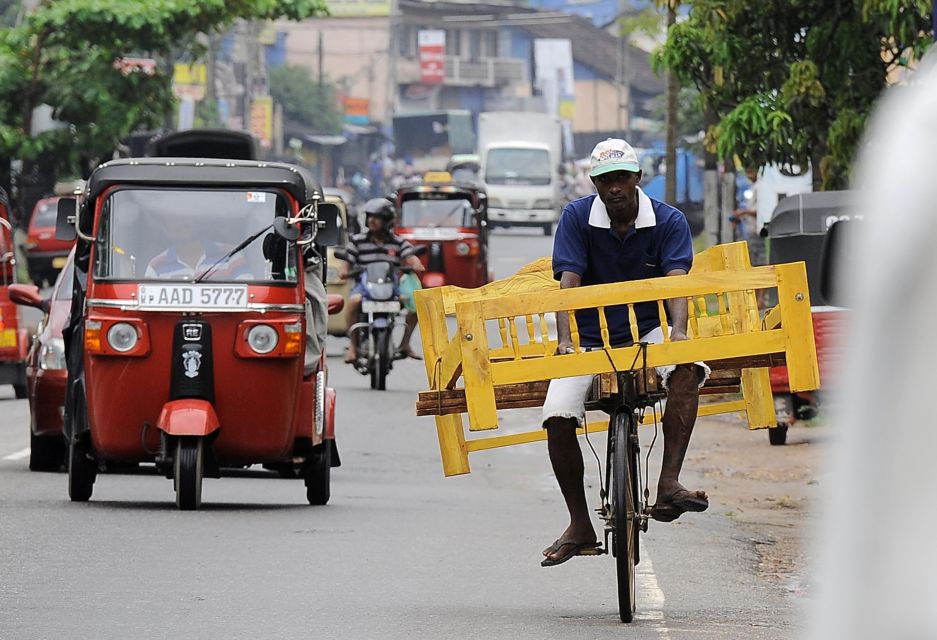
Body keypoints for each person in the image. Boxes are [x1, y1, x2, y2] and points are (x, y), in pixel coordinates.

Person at [540, 138, 711, 567]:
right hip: (590, 339)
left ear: (637, 178)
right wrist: (565, 344)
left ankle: (668, 482)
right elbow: (569, 285)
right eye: (604, 180)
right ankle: (579, 524)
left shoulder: (668, 220)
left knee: (688, 370)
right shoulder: (576, 217)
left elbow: (676, 283)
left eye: (621, 178)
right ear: (594, 183)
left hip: (648, 335)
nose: (614, 188)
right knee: (557, 416)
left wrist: (679, 332)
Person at [340, 197, 425, 362]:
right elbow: (347, 263)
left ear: (387, 221)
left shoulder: (398, 242)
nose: (372, 220)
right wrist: (344, 271)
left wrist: (416, 264)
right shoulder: (358, 241)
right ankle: (353, 346)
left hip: (391, 287)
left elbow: (410, 256)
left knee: (416, 306)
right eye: (370, 216)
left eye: (377, 217)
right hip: (363, 287)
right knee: (352, 303)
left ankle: (405, 344)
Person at [144, 218, 252, 280]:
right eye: (173, 219)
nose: (180, 224)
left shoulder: (230, 255)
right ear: (166, 229)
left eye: (185, 218)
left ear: (196, 223)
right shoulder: (156, 265)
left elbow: (249, 295)